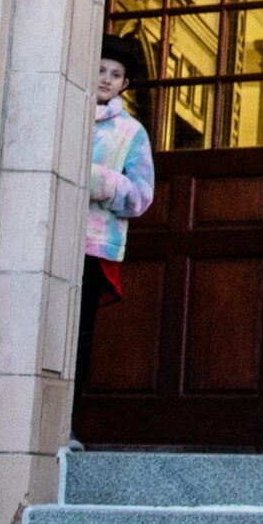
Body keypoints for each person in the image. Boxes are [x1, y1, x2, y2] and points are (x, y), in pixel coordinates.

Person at [79, 36, 159, 391]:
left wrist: (101, 182)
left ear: (125, 84)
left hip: (95, 244)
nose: (105, 79)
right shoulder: (66, 112)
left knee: (80, 330)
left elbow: (141, 196)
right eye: (99, 70)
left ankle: (67, 422)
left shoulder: (131, 132)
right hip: (50, 234)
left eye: (115, 74)